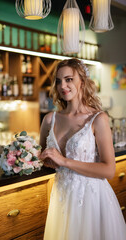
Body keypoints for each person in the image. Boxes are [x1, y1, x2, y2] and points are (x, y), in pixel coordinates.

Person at [40, 58, 126, 240]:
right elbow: (42, 159)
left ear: (82, 81)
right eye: (58, 80)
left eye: (69, 79)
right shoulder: (49, 120)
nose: (62, 85)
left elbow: (109, 170)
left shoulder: (98, 119)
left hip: (92, 201)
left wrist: (63, 161)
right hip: (62, 200)